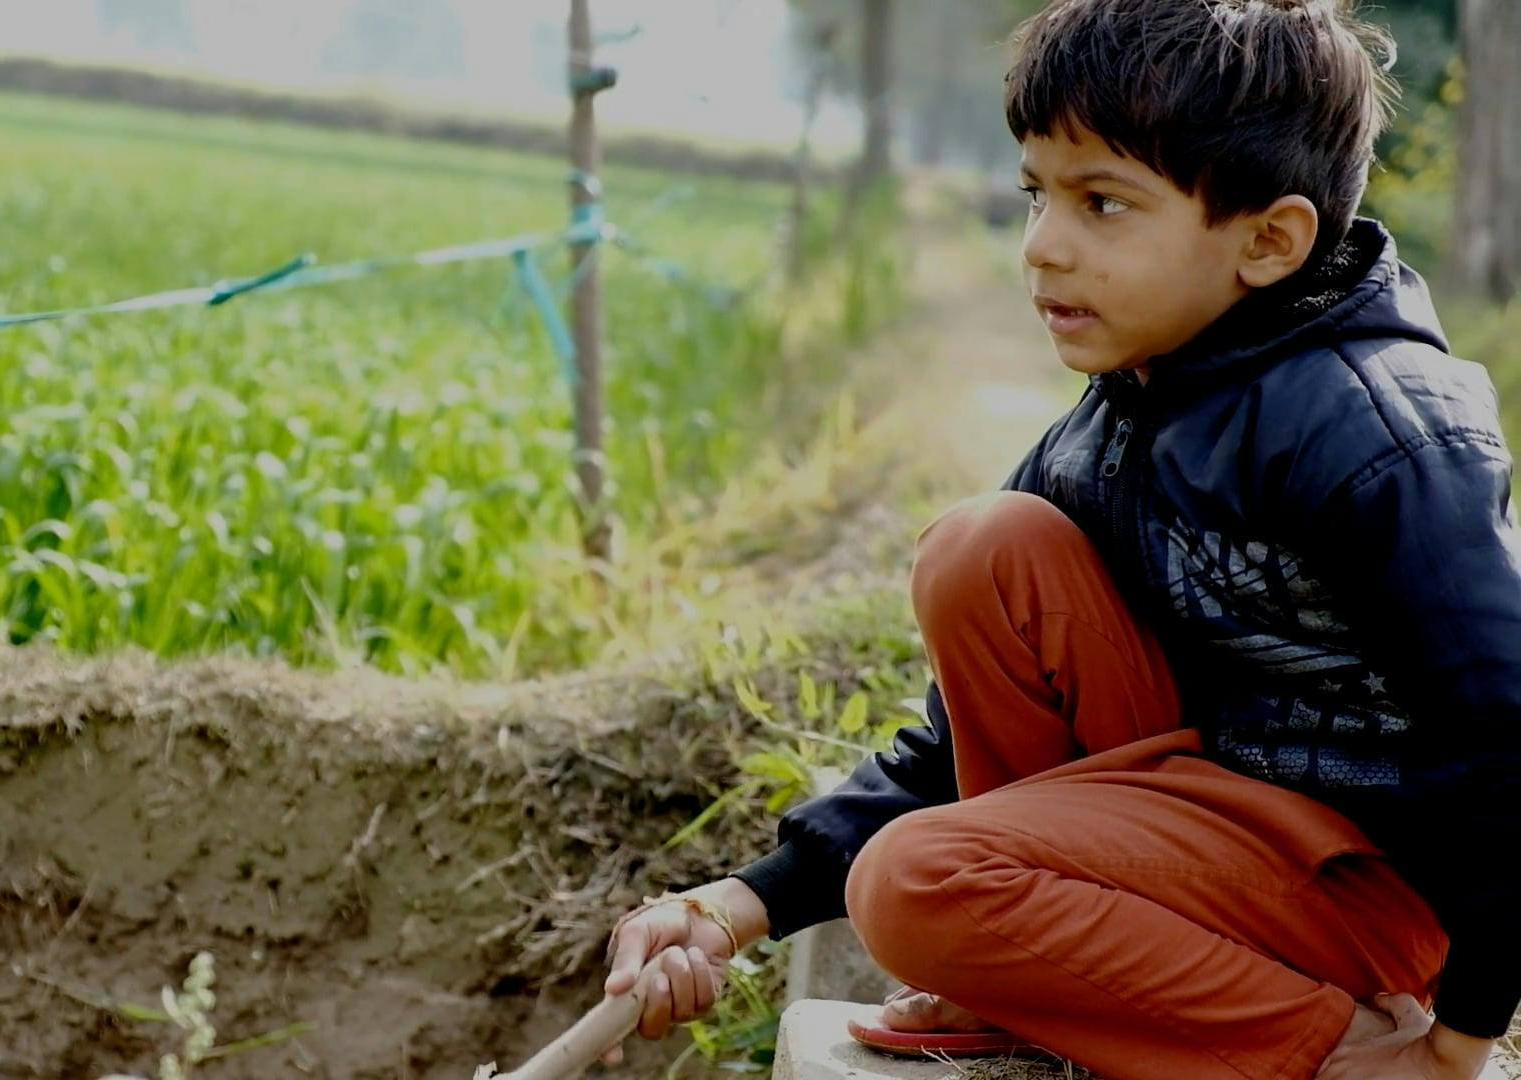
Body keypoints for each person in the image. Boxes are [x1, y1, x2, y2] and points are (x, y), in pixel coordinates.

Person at [597, 1, 1521, 1076]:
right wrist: (734, 903)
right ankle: (1045, 979)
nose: (1043, 246)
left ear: (1268, 241)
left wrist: (1459, 1039)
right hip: (1203, 822)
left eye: (1103, 203)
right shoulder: (1128, 406)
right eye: (1038, 192)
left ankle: (1330, 1049)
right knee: (984, 550)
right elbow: (951, 745)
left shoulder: (1377, 432)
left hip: (1356, 887)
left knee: (911, 884)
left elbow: (1509, 741)